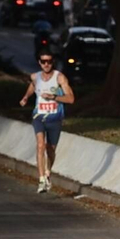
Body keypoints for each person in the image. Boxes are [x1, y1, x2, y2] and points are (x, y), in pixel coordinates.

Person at [17, 51, 74, 193]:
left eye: (49, 61)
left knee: (51, 149)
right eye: (43, 62)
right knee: (40, 145)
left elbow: (71, 99)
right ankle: (41, 179)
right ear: (39, 63)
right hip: (39, 117)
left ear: (52, 62)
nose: (46, 64)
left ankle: (48, 172)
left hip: (55, 118)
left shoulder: (59, 78)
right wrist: (25, 97)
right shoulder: (35, 77)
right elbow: (32, 86)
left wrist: (54, 97)